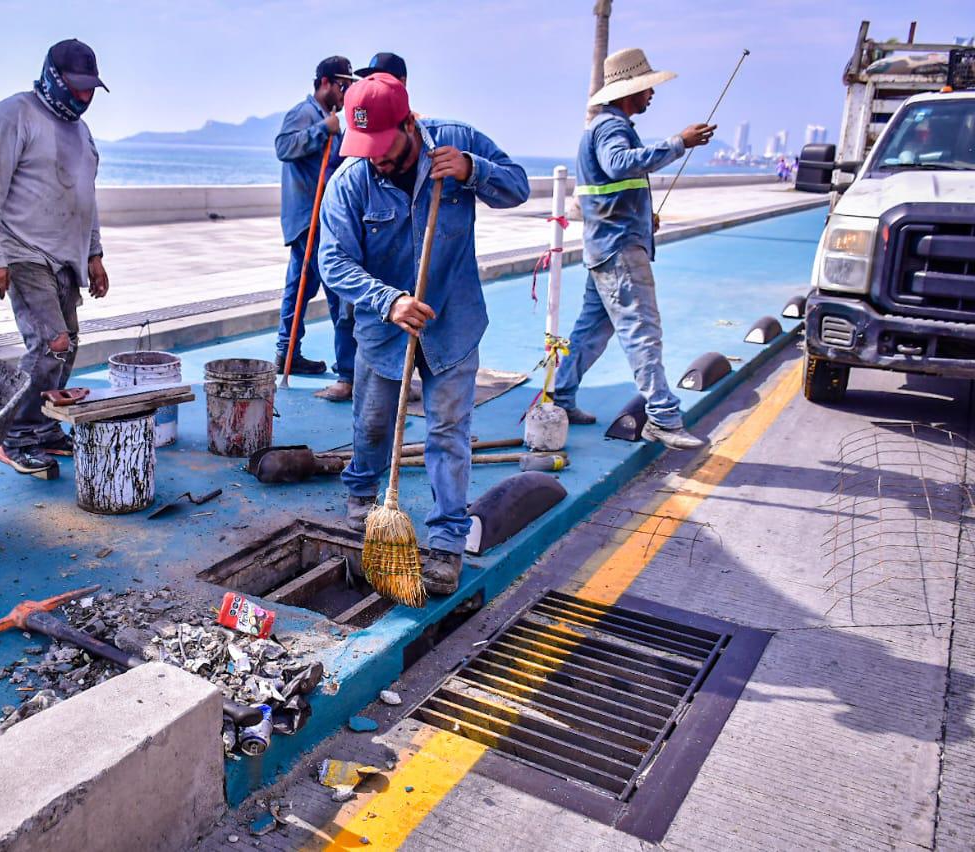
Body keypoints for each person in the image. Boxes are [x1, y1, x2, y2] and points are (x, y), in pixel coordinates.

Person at [320, 74, 530, 596]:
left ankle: (445, 544)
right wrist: (388, 301)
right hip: (384, 328)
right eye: (364, 149)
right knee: (371, 425)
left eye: (384, 149)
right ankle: (363, 498)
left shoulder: (456, 143)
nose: (376, 161)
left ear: (409, 124)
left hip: (451, 321)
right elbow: (333, 261)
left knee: (447, 434)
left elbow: (519, 187)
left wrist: (472, 171)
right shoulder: (351, 181)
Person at [553, 48, 715, 451]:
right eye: (648, 88)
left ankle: (560, 397)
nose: (652, 96)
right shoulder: (612, 128)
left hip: (607, 246)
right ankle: (662, 416)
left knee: (591, 331)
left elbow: (608, 189)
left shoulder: (604, 125)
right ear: (632, 90)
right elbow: (620, 164)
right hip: (620, 251)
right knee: (642, 331)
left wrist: (644, 219)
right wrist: (679, 143)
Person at [0, 39, 111, 475]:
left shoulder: (81, 133)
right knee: (52, 344)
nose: (85, 98)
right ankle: (14, 436)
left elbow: (86, 197)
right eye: (77, 87)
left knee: (68, 348)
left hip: (65, 257)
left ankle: (43, 430)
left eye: (91, 89)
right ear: (53, 77)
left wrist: (94, 253)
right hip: (22, 250)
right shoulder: (15, 115)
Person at [275, 56, 359, 401]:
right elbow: (284, 147)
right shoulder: (305, 114)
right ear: (324, 82)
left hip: (321, 218)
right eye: (343, 85)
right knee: (338, 292)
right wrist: (325, 129)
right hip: (309, 220)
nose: (345, 92)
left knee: (300, 288)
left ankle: (288, 353)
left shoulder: (330, 119)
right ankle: (347, 371)